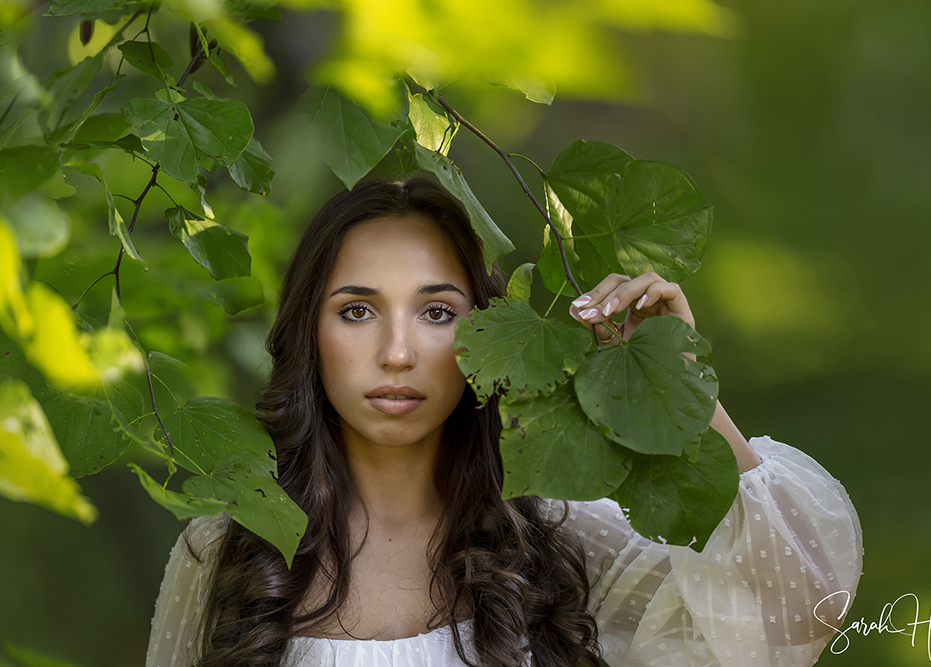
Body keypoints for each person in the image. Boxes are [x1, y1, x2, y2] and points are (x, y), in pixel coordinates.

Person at [145, 174, 863, 667]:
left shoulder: (559, 537)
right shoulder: (225, 552)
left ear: (481, 339)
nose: (396, 353)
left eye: (437, 313)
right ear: (310, 333)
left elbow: (791, 613)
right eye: (358, 310)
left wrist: (674, 383)